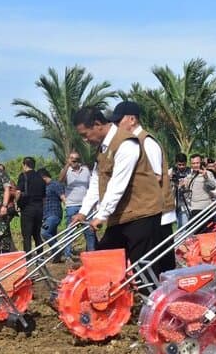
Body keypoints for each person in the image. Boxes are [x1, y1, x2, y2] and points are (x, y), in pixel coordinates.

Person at [70, 106, 163, 273]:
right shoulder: (103, 148)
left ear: (98, 124)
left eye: (85, 135)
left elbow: (118, 184)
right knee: (105, 261)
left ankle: (150, 297)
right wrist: (84, 212)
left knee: (143, 269)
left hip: (142, 214)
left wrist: (101, 215)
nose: (85, 140)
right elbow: (97, 181)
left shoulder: (126, 143)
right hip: (120, 216)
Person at [107, 100, 176, 274]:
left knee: (158, 265)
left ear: (132, 119)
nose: (116, 125)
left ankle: (162, 298)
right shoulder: (130, 143)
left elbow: (156, 177)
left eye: (118, 121)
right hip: (144, 213)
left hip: (156, 213)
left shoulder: (146, 142)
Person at [59, 150, 96, 256]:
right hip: (72, 205)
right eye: (72, 159)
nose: (74, 161)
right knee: (70, 230)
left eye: (76, 159)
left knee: (89, 231)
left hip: (86, 205)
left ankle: (91, 253)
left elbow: (92, 185)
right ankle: (67, 254)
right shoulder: (67, 170)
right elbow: (60, 179)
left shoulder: (85, 170)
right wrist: (67, 165)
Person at [16, 157, 46, 255]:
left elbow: (18, 192)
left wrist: (16, 203)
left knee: (27, 234)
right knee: (37, 234)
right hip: (39, 208)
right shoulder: (40, 178)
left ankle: (28, 257)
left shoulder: (23, 176)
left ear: (24, 165)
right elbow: (44, 197)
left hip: (27, 208)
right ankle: (40, 254)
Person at [37, 168, 66, 262]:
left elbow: (63, 197)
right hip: (46, 215)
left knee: (45, 233)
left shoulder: (55, 185)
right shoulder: (43, 187)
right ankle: (56, 256)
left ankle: (58, 250)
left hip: (54, 214)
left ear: (43, 177)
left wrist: (68, 207)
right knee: (52, 236)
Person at [181, 154, 216, 218]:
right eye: (193, 163)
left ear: (201, 163)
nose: (195, 165)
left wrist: (206, 177)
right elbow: (186, 194)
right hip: (194, 209)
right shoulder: (189, 176)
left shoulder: (208, 173)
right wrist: (183, 187)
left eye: (197, 163)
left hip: (206, 208)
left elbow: (213, 187)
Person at [168, 153, 191, 228]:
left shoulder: (190, 172)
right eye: (179, 165)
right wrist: (169, 180)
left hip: (185, 203)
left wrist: (185, 184)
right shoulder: (171, 171)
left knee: (183, 227)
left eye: (183, 165)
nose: (181, 167)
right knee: (175, 227)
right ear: (176, 163)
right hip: (174, 203)